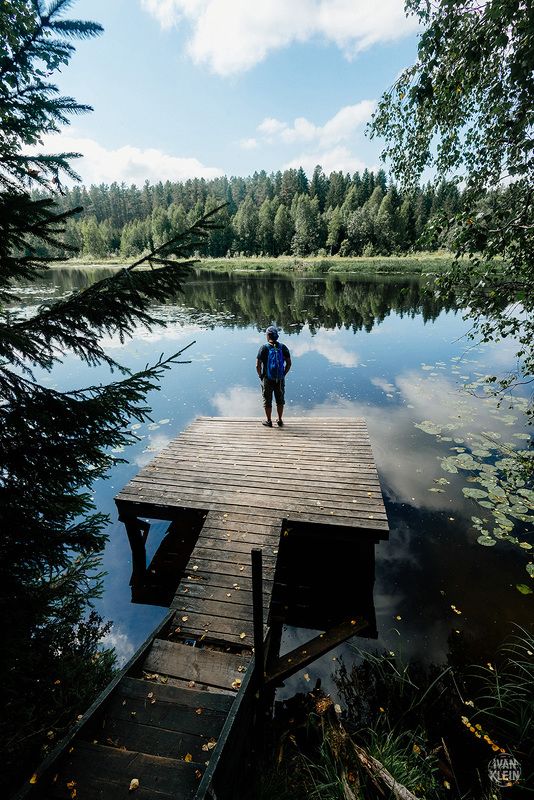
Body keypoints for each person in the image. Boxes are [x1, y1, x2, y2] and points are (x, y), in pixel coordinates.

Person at [256, 325, 291, 427]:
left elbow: (257, 365)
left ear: (268, 336)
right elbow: (289, 363)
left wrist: (260, 375)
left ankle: (269, 421)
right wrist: (283, 374)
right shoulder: (283, 347)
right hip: (279, 378)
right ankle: (279, 420)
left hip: (267, 378)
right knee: (280, 400)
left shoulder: (263, 348)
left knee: (267, 400)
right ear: (277, 336)